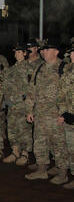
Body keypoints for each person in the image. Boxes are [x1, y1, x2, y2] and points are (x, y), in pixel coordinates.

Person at [25, 41, 69, 185]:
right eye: (43, 50)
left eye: (47, 50)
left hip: (56, 115)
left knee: (59, 145)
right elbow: (32, 91)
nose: (44, 52)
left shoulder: (64, 67)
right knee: (40, 143)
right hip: (40, 114)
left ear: (56, 52)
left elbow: (69, 93)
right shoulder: (39, 68)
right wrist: (29, 110)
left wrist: (65, 114)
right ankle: (42, 169)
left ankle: (62, 172)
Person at [2, 44, 33, 166]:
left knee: (24, 130)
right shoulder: (11, 69)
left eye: (19, 52)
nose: (17, 54)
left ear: (25, 53)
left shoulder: (29, 69)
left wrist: (28, 105)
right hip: (12, 104)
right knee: (12, 129)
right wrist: (7, 102)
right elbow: (6, 88)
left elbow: (31, 88)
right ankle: (15, 152)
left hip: (23, 105)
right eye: (16, 52)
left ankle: (25, 153)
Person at [57, 44, 74, 189]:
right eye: (72, 54)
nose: (72, 56)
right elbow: (61, 95)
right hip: (69, 117)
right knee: (70, 148)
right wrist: (63, 113)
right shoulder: (67, 72)